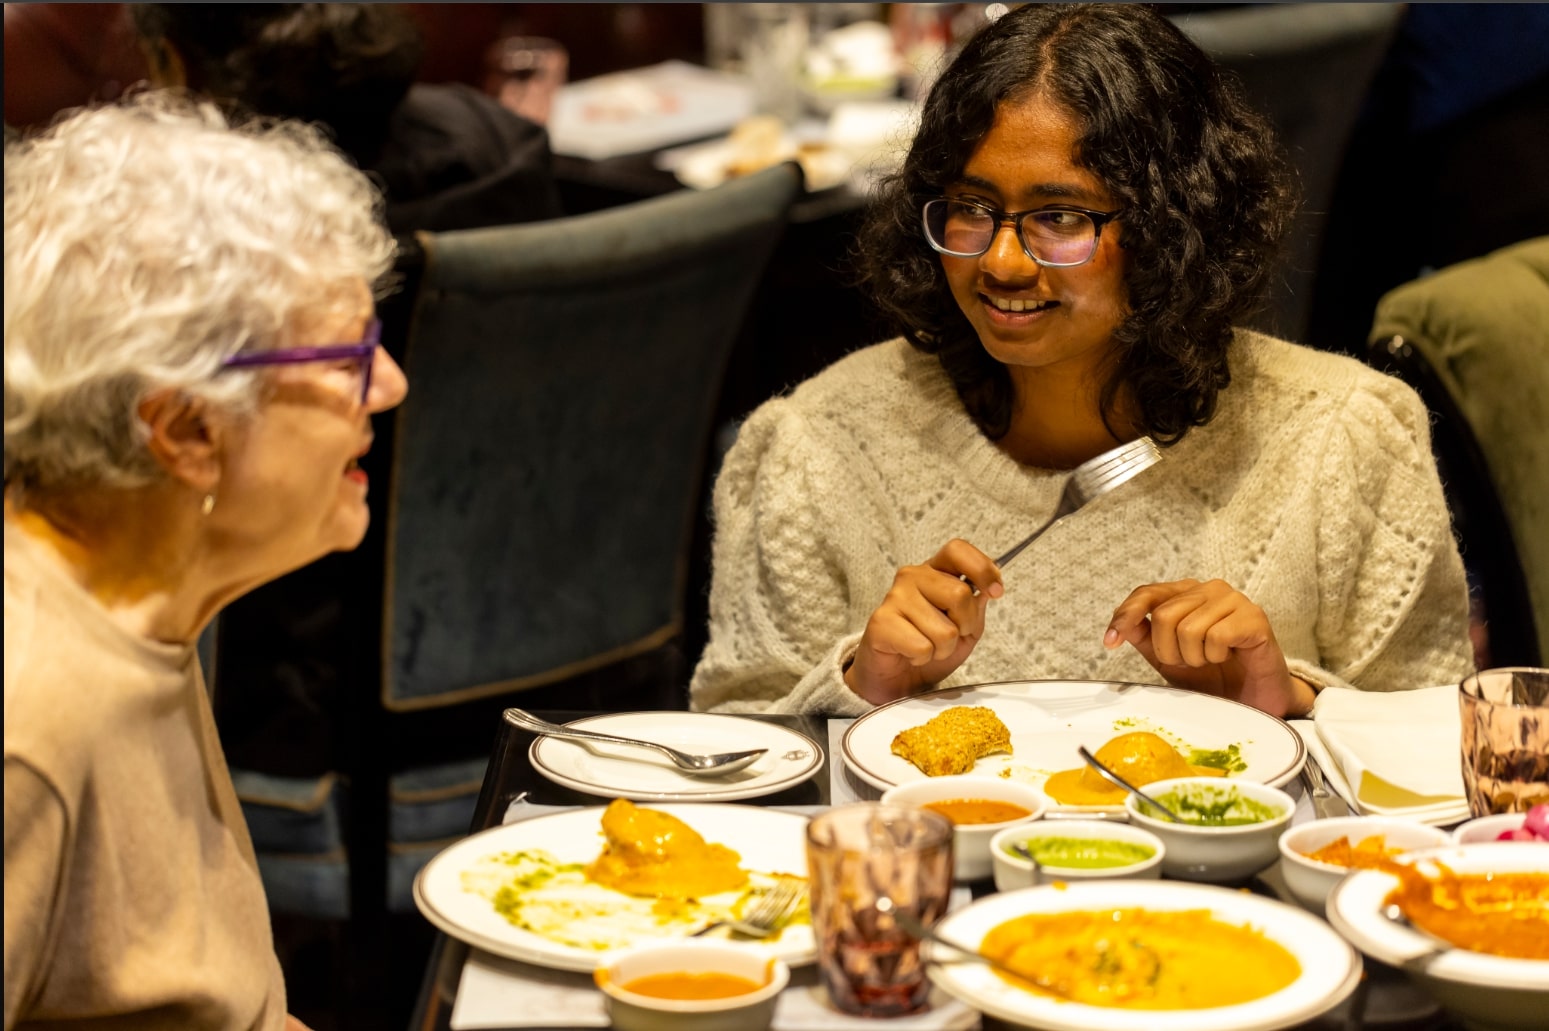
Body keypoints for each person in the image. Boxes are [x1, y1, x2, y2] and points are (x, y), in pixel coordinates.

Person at [688, 3, 1474, 719]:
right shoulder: (815, 447)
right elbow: (729, 755)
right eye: (970, 208)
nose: (1000, 261)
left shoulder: (1346, 436)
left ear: (1172, 226)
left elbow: (1438, 750)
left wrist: (1289, 700)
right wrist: (862, 685)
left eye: (1058, 217)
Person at [4, 93, 407, 1029]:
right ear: (188, 431)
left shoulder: (148, 603)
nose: (388, 385)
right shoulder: (29, 714)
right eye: (349, 357)